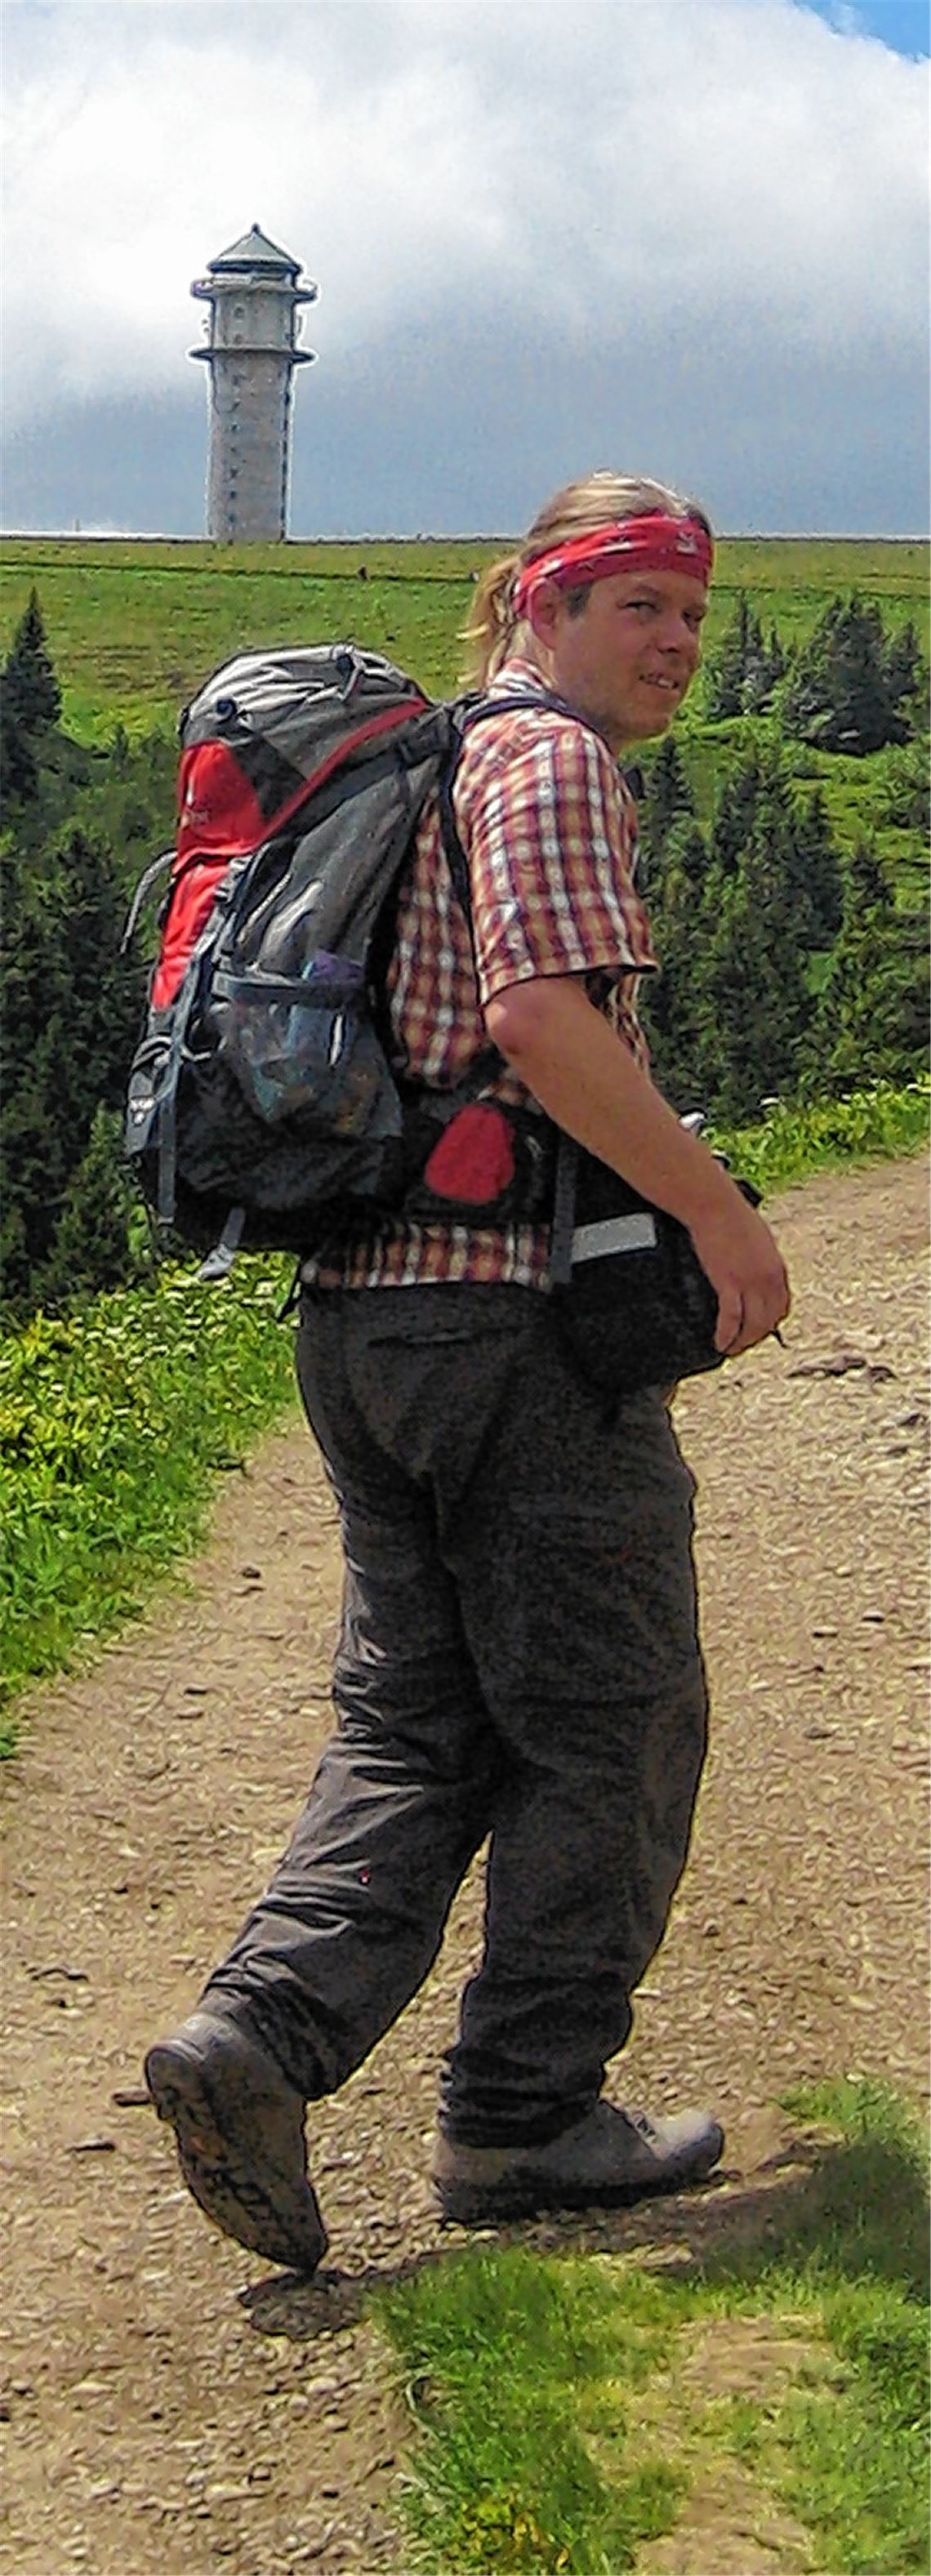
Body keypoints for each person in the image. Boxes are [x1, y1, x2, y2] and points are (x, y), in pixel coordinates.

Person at [145, 470, 791, 2275]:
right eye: (636, 604)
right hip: (506, 1320)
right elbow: (537, 1017)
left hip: (364, 1318)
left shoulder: (426, 767)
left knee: (414, 1717)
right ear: (537, 601)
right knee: (614, 1713)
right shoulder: (551, 762)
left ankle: (255, 2039)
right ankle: (526, 2115)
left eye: (691, 612)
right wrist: (723, 1215)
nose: (669, 642)